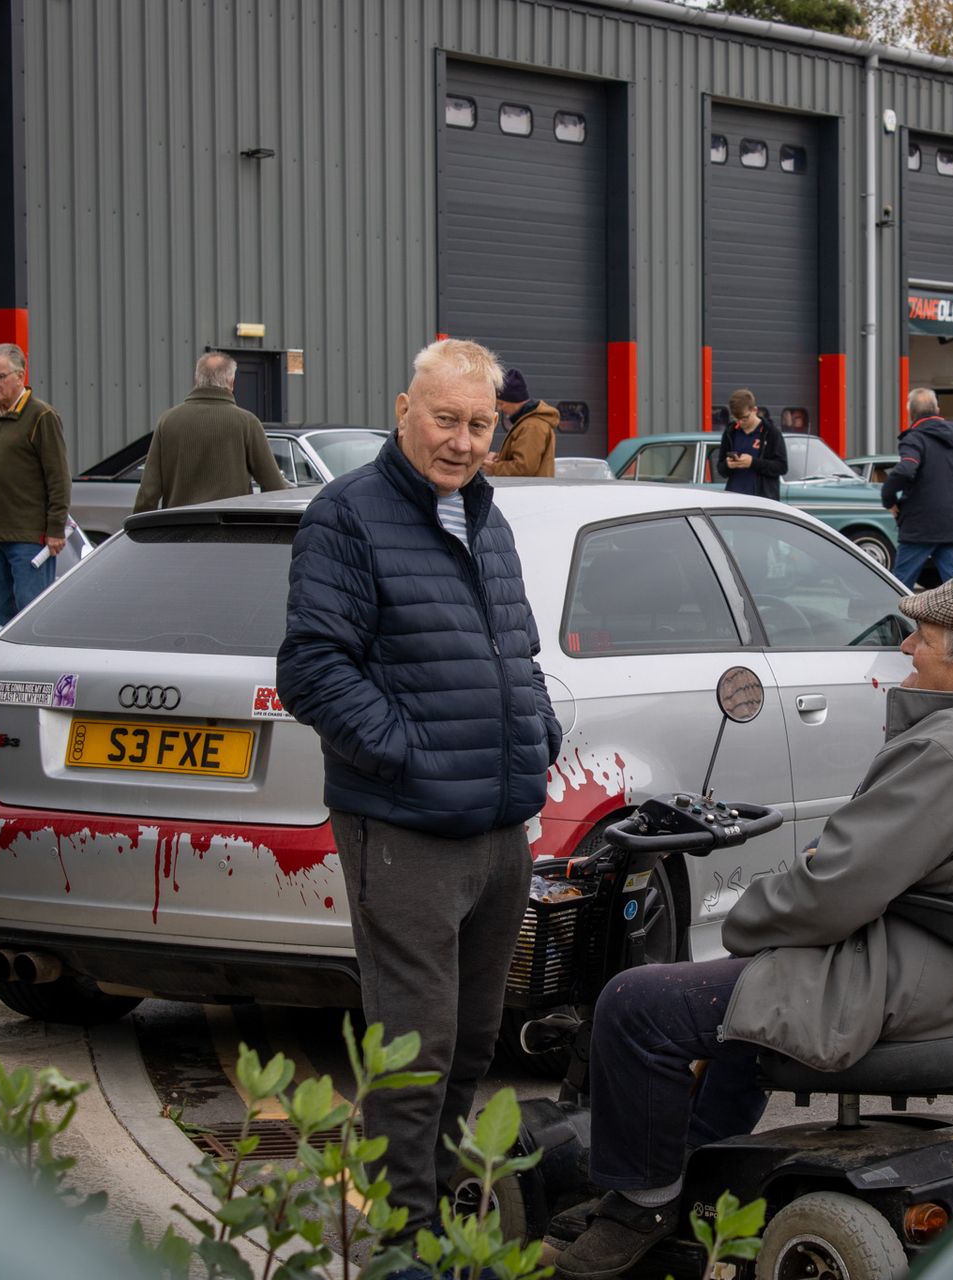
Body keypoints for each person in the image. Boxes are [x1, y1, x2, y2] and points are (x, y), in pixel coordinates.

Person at [551, 568, 953, 1279]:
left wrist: (747, 919)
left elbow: (832, 893)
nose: (911, 645)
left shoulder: (949, 751)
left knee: (637, 1004)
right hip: (947, 956)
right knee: (734, 1002)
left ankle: (639, 1203)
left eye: (928, 637)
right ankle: (693, 1169)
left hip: (902, 974)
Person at [274, 338, 562, 1235]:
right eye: (447, 420)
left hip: (498, 825)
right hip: (402, 828)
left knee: (474, 1042)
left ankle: (433, 1214)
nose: (465, 442)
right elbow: (312, 668)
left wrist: (537, 733)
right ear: (405, 409)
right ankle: (399, 1238)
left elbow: (515, 649)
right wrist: (408, 753)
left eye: (482, 425)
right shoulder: (347, 516)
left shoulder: (486, 515)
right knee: (414, 1049)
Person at [0, 343, 70, 624]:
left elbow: (58, 476)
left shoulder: (41, 416)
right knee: (3, 615)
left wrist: (55, 528)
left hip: (29, 538)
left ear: (20, 375)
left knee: (30, 615)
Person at [133, 352, 290, 513]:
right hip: (230, 531)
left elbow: (148, 492)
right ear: (232, 382)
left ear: (197, 380)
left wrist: (137, 530)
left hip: (177, 529)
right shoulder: (247, 423)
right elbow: (274, 487)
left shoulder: (167, 421)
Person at [882, 388, 953, 589]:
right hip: (952, 525)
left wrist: (889, 499)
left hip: (919, 526)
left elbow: (906, 469)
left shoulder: (914, 439)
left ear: (910, 411)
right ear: (937, 409)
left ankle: (897, 620)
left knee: (899, 586)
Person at [713, 388, 788, 501]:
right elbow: (721, 469)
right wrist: (728, 465)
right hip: (734, 500)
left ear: (754, 410)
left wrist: (753, 463)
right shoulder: (730, 433)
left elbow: (781, 467)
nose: (740, 422)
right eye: (736, 419)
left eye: (744, 418)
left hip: (762, 501)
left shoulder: (771, 432)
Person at [484, 367, 559, 477]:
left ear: (514, 401)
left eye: (501, 403)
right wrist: (498, 457)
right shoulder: (528, 422)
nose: (499, 409)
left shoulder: (532, 426)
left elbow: (524, 468)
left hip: (530, 491)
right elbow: (526, 457)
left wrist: (493, 468)